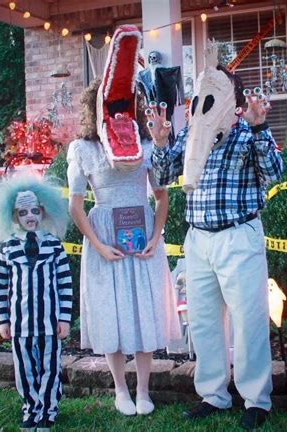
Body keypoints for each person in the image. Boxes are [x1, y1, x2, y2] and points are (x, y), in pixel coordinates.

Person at [148, 58, 283, 429]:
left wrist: (259, 128)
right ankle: (214, 394)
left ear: (233, 103)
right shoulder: (194, 134)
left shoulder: (247, 134)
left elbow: (274, 172)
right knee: (204, 322)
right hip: (199, 240)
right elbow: (162, 175)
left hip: (238, 236)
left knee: (248, 321)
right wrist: (161, 143)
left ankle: (256, 399)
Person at [67, 78, 179, 417]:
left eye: (125, 103)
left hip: (141, 236)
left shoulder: (147, 145)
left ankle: (144, 390)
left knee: (144, 308)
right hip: (104, 237)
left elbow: (162, 197)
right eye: (111, 104)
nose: (118, 110)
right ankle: (120, 389)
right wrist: (99, 246)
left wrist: (156, 237)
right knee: (110, 310)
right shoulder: (83, 148)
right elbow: (75, 206)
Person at [0, 175, 73, 432]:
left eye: (34, 210)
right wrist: (3, 320)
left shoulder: (54, 246)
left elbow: (65, 285)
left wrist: (64, 318)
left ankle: (48, 409)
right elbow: (0, 287)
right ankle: (31, 409)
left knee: (49, 368)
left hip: (49, 324)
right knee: (25, 370)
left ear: (43, 212)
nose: (30, 216)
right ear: (13, 216)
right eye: (23, 212)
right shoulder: (7, 249)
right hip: (20, 326)